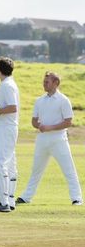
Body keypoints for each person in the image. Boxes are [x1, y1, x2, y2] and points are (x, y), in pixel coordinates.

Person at [16, 71, 83, 206]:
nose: (44, 84)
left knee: (69, 170)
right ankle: (26, 197)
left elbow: (68, 122)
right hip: (42, 140)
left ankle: (77, 198)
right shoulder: (39, 101)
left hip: (59, 140)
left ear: (56, 83)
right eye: (44, 81)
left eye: (47, 82)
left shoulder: (63, 100)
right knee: (36, 170)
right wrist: (39, 125)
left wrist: (50, 127)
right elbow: (34, 121)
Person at [0, 57, 20, 213]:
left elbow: (13, 107)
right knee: (10, 165)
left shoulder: (7, 85)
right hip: (7, 128)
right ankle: (10, 200)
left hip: (5, 128)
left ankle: (4, 202)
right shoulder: (8, 84)